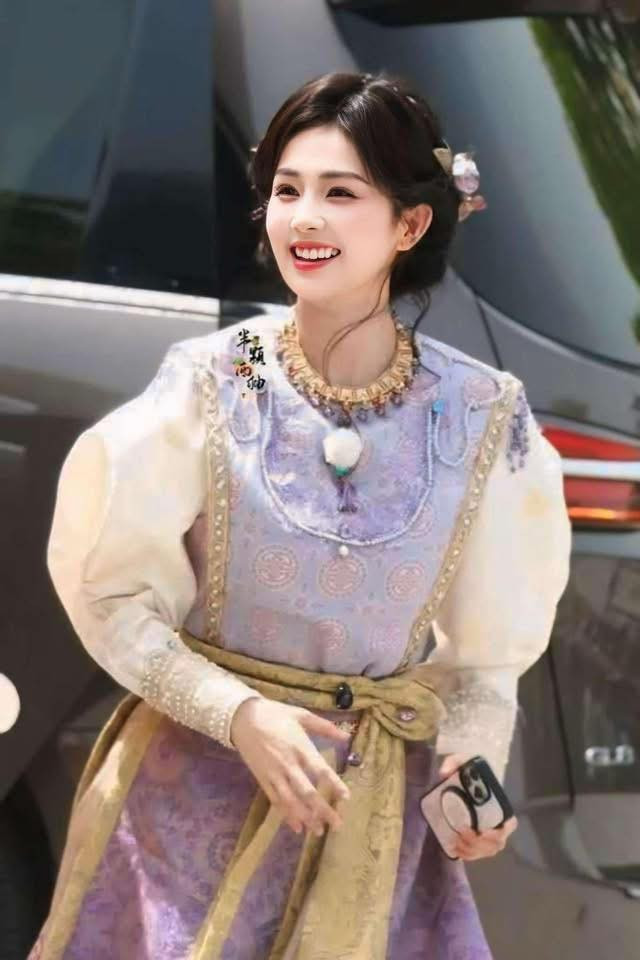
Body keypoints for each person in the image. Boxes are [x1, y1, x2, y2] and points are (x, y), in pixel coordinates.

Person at [29, 71, 571, 959]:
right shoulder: (224, 375)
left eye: (340, 193)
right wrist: (240, 714)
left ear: (409, 224)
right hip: (186, 820)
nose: (304, 219)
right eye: (287, 190)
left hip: (371, 828)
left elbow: (483, 661)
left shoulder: (479, 410)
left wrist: (471, 769)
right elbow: (111, 594)